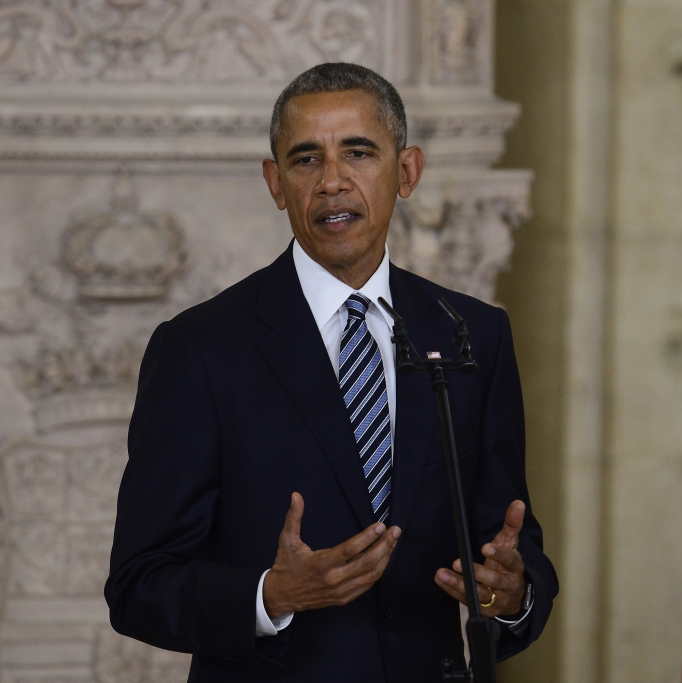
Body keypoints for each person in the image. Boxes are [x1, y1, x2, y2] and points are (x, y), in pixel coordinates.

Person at [104, 62, 557, 682]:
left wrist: (514, 591)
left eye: (359, 152)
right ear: (275, 182)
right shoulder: (201, 349)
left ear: (407, 171)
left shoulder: (472, 333)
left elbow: (511, 544)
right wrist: (272, 595)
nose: (333, 182)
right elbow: (138, 585)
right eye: (306, 159)